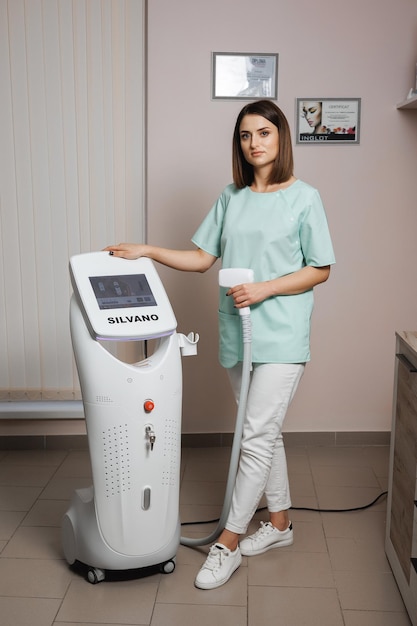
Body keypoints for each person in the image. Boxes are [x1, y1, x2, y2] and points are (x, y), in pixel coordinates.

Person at [105, 99, 335, 590]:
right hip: (239, 332)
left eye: (264, 133)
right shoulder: (231, 197)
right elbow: (201, 258)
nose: (255, 143)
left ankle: (226, 542)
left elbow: (321, 267)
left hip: (281, 333)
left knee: (254, 435)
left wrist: (266, 288)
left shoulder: (305, 197)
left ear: (281, 138)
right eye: (246, 135)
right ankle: (279, 525)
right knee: (263, 431)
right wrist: (146, 250)